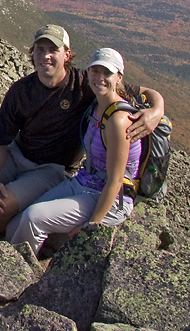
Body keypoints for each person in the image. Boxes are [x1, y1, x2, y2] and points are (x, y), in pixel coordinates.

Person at [0, 25, 164, 236]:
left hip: (50, 169)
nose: (45, 56)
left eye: (53, 50)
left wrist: (156, 110)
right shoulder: (21, 90)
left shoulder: (87, 84)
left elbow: (144, 92)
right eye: (40, 50)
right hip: (16, 155)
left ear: (66, 54)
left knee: (0, 208)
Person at [9, 47, 139, 254]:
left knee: (33, 218)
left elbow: (115, 181)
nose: (100, 78)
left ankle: (16, 274)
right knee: (17, 223)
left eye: (107, 73)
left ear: (119, 77)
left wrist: (91, 226)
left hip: (109, 197)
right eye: (95, 71)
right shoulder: (96, 105)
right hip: (84, 182)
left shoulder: (119, 120)